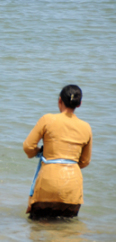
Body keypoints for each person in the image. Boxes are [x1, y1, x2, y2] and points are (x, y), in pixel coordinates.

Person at [23, 85, 92, 220]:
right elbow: (84, 161)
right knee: (67, 230)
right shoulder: (86, 127)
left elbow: (28, 147)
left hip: (48, 184)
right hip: (72, 188)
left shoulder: (47, 120)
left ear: (60, 100)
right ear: (80, 104)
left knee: (38, 229)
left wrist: (38, 152)